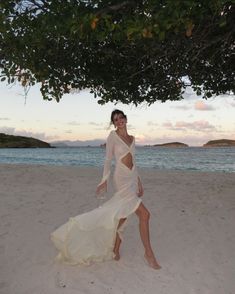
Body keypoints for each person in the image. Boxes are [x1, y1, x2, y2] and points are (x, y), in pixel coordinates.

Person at [51, 109, 161, 270]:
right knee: (145, 215)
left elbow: (134, 162)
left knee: (123, 215)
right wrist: (104, 181)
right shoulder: (112, 136)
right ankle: (149, 254)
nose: (119, 121)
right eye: (115, 120)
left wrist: (139, 182)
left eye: (121, 118)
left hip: (131, 178)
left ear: (125, 119)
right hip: (121, 179)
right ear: (114, 123)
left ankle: (116, 250)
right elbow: (108, 159)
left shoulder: (132, 138)